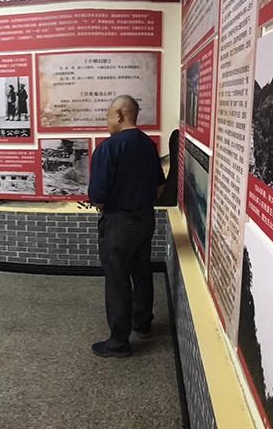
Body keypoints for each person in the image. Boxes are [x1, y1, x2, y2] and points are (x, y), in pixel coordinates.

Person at [88, 95, 166, 358]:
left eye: (108, 116)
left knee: (117, 279)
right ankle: (142, 324)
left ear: (120, 114)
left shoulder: (107, 148)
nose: (107, 122)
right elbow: (160, 185)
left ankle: (118, 342)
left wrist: (102, 207)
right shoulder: (148, 144)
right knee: (142, 270)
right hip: (145, 218)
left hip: (119, 224)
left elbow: (97, 196)